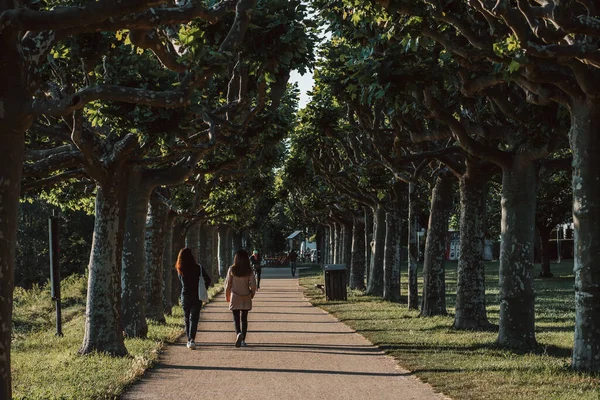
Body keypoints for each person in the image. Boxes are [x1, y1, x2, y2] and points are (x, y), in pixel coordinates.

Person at [175, 247, 212, 350]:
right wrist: (203, 288)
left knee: (187, 318)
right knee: (194, 318)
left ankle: (188, 339)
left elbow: (181, 282)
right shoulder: (198, 268)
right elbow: (208, 280)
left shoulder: (180, 268)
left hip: (185, 295)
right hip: (197, 296)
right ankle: (192, 339)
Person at [225, 249, 257, 347]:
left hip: (235, 296)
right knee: (244, 318)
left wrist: (227, 295)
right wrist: (252, 294)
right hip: (246, 295)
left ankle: (238, 333)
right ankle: (243, 340)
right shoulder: (249, 270)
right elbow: (253, 284)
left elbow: (228, 284)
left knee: (236, 318)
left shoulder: (232, 269)